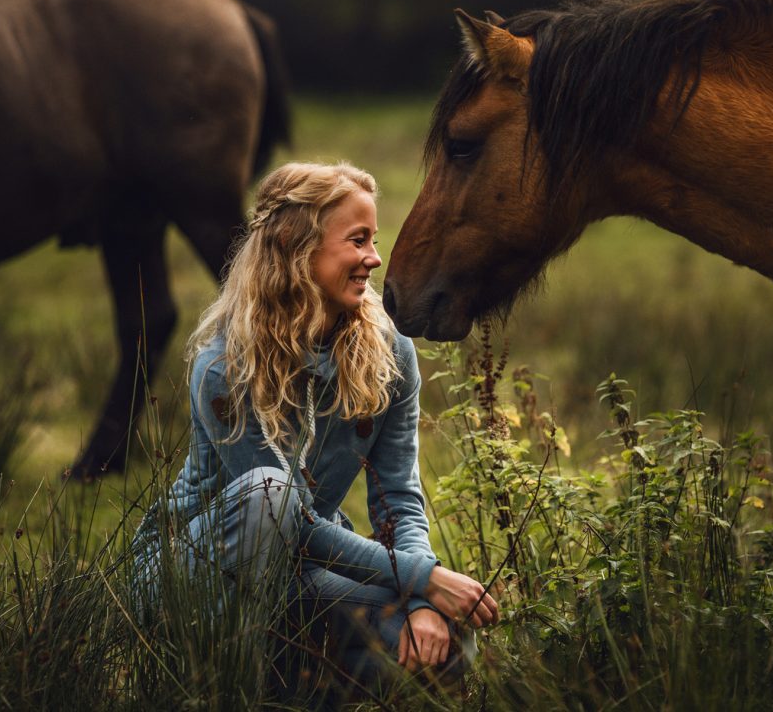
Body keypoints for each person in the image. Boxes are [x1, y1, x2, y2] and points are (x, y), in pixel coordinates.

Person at [131, 161, 499, 693]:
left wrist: (423, 602)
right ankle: (206, 683)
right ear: (296, 247)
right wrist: (424, 577)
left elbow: (398, 499)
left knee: (448, 641)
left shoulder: (391, 354)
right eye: (358, 240)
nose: (374, 258)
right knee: (269, 494)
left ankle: (276, 688)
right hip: (191, 578)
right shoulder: (224, 366)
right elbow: (286, 519)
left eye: (374, 239)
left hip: (297, 579)